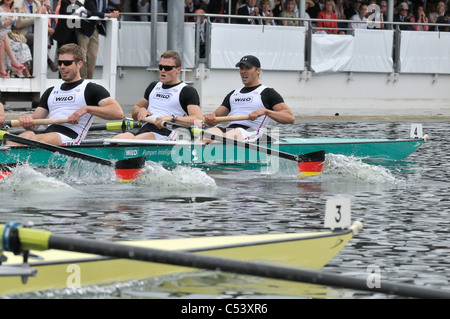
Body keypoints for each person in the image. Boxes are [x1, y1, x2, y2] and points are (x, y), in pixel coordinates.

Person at [11, 43, 124, 146]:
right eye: (60, 63)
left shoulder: (91, 89)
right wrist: (27, 121)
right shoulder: (50, 91)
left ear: (79, 64)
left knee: (33, 139)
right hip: (48, 135)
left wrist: (86, 109)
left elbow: (118, 113)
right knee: (26, 135)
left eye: (67, 63)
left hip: (71, 137)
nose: (62, 66)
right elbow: (34, 124)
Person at [112, 50, 202, 141]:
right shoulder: (154, 86)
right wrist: (141, 110)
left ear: (178, 70)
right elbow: (135, 110)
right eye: (160, 67)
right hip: (147, 128)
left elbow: (198, 120)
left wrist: (172, 118)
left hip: (169, 131)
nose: (163, 71)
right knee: (117, 139)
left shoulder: (187, 91)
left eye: (167, 68)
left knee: (130, 141)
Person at [203, 55, 295, 143]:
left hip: (252, 132)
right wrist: (211, 117)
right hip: (230, 130)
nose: (243, 71)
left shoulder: (267, 92)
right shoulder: (233, 94)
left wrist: (265, 112)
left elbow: (290, 118)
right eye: (241, 68)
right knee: (207, 135)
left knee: (232, 134)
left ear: (258, 70)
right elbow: (216, 118)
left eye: (247, 68)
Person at [77, 0, 120, 79]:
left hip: (95, 28)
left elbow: (104, 9)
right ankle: (82, 78)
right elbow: (92, 11)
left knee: (93, 56)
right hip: (84, 29)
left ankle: (89, 79)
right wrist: (109, 15)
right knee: (82, 55)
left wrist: (112, 13)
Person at [0, 0, 29, 77]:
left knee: (22, 45)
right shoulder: (0, 9)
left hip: (10, 35)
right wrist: (11, 15)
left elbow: (18, 25)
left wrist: (19, 14)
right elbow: (4, 25)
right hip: (2, 33)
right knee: (5, 39)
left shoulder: (13, 9)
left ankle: (19, 70)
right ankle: (15, 66)